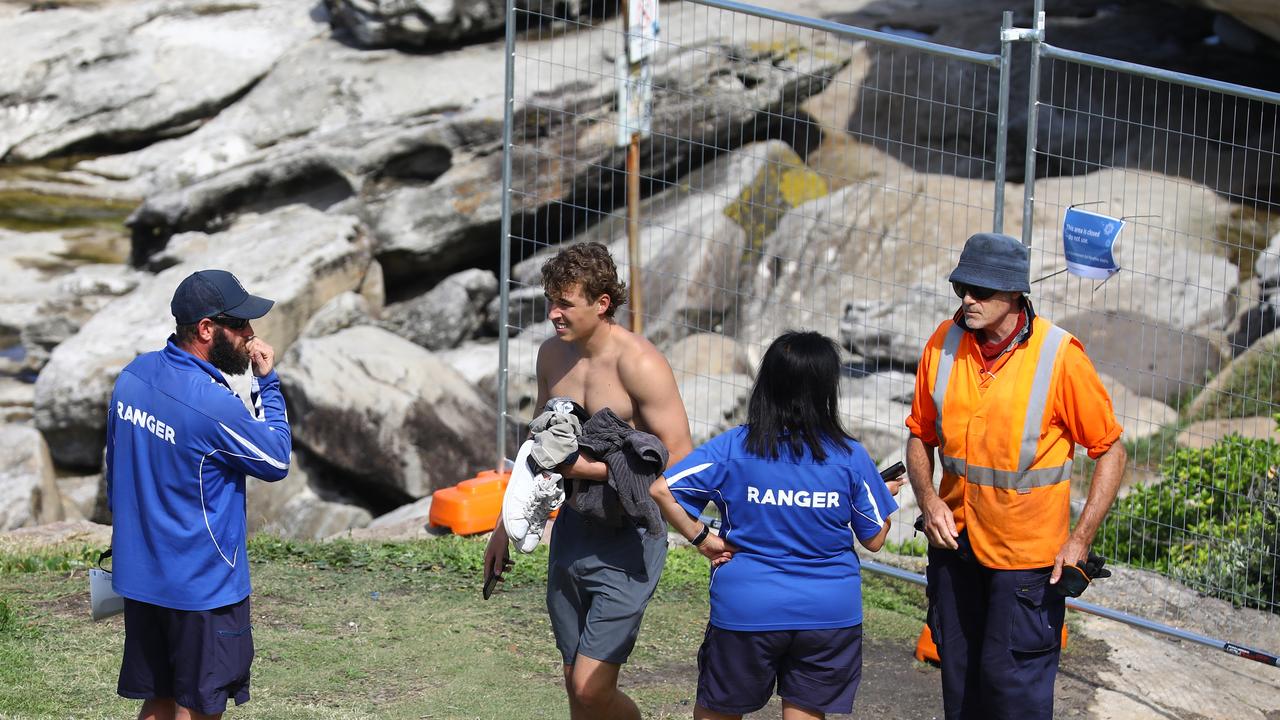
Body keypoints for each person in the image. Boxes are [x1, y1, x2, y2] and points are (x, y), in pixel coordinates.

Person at [905, 232, 1127, 720]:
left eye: (981, 291)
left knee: (1016, 700)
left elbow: (1110, 451)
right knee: (960, 692)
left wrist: (1080, 539)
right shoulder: (943, 343)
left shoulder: (1060, 357)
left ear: (1013, 295)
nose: (968, 298)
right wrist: (928, 499)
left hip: (1027, 566)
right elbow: (919, 435)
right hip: (955, 549)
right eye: (962, 286)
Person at [483, 242, 693, 720]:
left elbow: (680, 454)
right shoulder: (552, 356)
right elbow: (538, 451)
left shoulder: (638, 364)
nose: (554, 314)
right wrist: (505, 527)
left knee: (592, 688)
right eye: (550, 301)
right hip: (575, 529)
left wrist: (592, 470)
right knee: (576, 689)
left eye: (565, 304)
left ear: (602, 304)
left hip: (631, 535)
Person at [650, 330, 901, 720]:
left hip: (747, 609)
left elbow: (663, 490)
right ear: (826, 389)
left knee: (717, 711)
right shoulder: (850, 456)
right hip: (828, 615)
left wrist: (702, 539)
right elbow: (875, 538)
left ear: (766, 383)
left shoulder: (735, 447)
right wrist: (882, 495)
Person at [106, 269, 292, 720]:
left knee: (160, 697)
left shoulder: (133, 376)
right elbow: (276, 460)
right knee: (201, 706)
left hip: (143, 576)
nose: (250, 335)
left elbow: (115, 466)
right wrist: (267, 382)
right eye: (241, 324)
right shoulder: (210, 404)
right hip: (202, 587)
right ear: (206, 329)